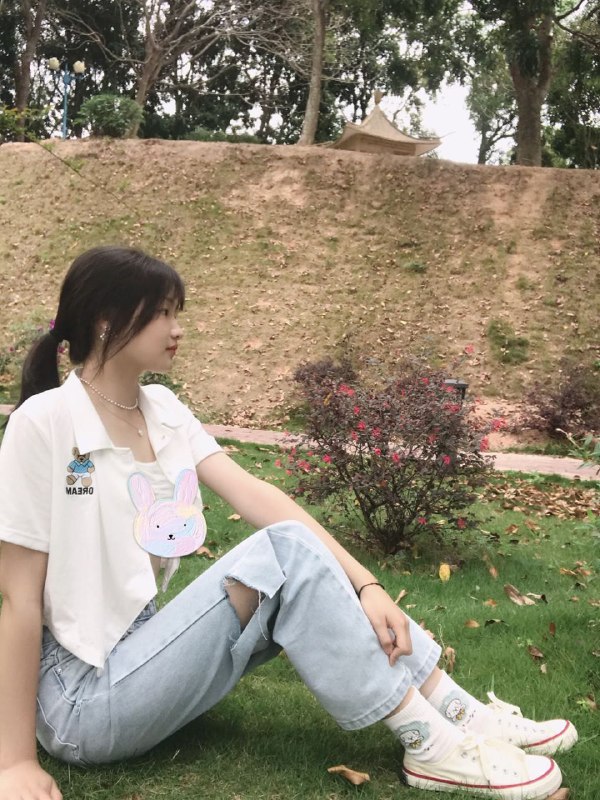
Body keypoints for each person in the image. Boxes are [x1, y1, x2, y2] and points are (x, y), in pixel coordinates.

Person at [0, 246, 577, 800]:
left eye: (178, 312)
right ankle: (431, 744)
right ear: (106, 318)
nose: (178, 329)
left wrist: (367, 584)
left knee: (289, 547)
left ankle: (457, 712)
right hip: (78, 698)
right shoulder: (44, 422)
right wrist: (15, 762)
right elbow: (18, 600)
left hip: (145, 649)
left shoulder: (162, 410)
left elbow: (257, 495)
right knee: (283, 551)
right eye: (162, 313)